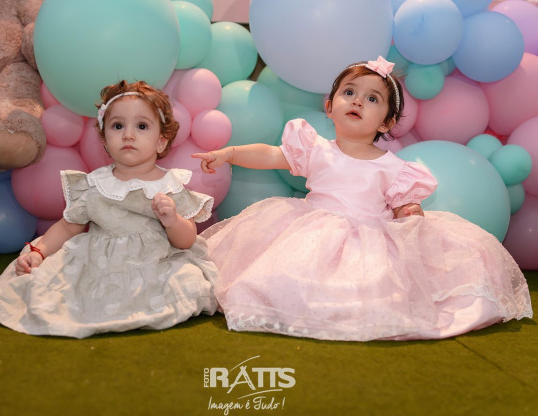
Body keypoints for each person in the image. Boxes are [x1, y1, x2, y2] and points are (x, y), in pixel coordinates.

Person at [192, 56, 532, 341]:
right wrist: (231, 153)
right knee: (283, 275)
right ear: (329, 107)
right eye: (349, 92)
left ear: (386, 122)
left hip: (367, 238)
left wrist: (410, 212)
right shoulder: (316, 149)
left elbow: (404, 205)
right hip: (311, 231)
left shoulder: (393, 167)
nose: (357, 101)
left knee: (371, 287)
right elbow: (270, 154)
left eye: (372, 99)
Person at [0, 80, 218, 338]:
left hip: (155, 262)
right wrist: (39, 252)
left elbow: (186, 240)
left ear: (161, 142)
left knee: (187, 281)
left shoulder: (169, 185)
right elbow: (68, 226)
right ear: (104, 140)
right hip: (100, 262)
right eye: (118, 126)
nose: (128, 135)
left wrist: (173, 220)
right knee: (55, 285)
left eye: (141, 126)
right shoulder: (95, 184)